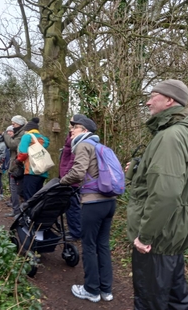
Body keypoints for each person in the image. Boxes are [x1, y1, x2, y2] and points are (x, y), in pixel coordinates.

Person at [126, 79, 188, 310]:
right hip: (173, 231)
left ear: (170, 100)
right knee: (175, 300)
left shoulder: (170, 136)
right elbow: (174, 178)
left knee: (150, 301)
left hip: (159, 237)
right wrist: (139, 168)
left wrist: (145, 236)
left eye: (153, 96)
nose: (148, 102)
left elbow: (166, 193)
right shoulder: (184, 132)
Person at [60, 116, 116, 303]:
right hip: (109, 202)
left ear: (84, 130)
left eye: (74, 128)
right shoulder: (102, 147)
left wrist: (62, 181)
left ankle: (91, 290)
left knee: (89, 246)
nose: (71, 131)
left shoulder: (84, 146)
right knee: (103, 245)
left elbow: (77, 172)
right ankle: (106, 291)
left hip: (93, 203)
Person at [59, 114, 87, 241]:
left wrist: (67, 175)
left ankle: (76, 232)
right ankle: (75, 230)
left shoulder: (76, 140)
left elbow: (72, 159)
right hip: (67, 175)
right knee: (70, 206)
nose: (71, 126)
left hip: (71, 179)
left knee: (72, 206)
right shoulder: (71, 136)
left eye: (73, 124)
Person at [16, 117, 50, 202]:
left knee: (29, 196)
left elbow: (23, 153)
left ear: (27, 129)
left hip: (31, 171)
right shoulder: (44, 139)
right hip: (42, 171)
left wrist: (18, 160)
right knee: (38, 196)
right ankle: (38, 214)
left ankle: (29, 215)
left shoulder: (26, 137)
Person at [3, 115, 27, 217]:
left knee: (16, 188)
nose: (13, 126)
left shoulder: (22, 134)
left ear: (20, 124)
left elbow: (12, 144)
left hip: (18, 165)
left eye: (14, 124)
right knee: (15, 188)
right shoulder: (19, 133)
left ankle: (17, 211)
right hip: (16, 163)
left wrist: (6, 135)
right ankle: (17, 210)